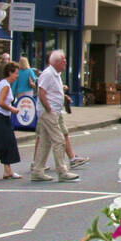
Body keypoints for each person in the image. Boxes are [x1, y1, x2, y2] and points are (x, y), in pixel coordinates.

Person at [31, 50, 79, 182]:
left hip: (53, 112)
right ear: (55, 62)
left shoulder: (55, 74)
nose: (65, 62)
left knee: (45, 143)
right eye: (62, 59)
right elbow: (41, 93)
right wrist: (49, 109)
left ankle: (37, 171)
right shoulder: (48, 74)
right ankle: (62, 171)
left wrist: (64, 98)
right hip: (48, 113)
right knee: (59, 140)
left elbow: (52, 92)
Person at [0, 62, 23, 179]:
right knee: (0, 144)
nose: (17, 76)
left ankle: (8, 171)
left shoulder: (4, 84)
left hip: (3, 116)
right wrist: (12, 109)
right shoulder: (5, 85)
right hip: (0, 117)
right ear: (10, 73)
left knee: (8, 143)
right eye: (16, 73)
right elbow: (0, 102)